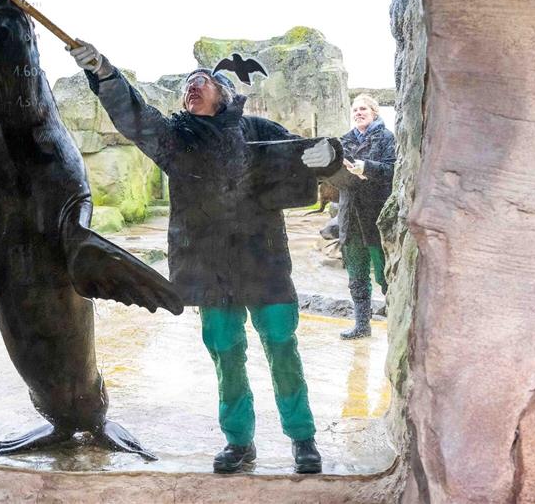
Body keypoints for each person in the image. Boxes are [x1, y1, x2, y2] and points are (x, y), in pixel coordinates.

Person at [69, 41, 341, 474]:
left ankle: (302, 438)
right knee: (225, 352)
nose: (191, 87)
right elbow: (135, 116)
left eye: (202, 81)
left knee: (282, 346)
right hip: (209, 269)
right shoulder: (176, 140)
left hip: (264, 263)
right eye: (186, 85)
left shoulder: (257, 129)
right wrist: (104, 72)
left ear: (224, 94)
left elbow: (310, 159)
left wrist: (329, 157)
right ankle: (239, 442)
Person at [334, 94, 396, 340]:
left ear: (374, 113)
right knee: (357, 276)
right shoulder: (343, 141)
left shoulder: (386, 137)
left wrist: (366, 167)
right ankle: (362, 325)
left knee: (384, 274)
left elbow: (392, 169)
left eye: (363, 109)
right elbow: (334, 176)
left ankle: (397, 324)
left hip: (374, 215)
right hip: (350, 216)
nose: (358, 113)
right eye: (355, 109)